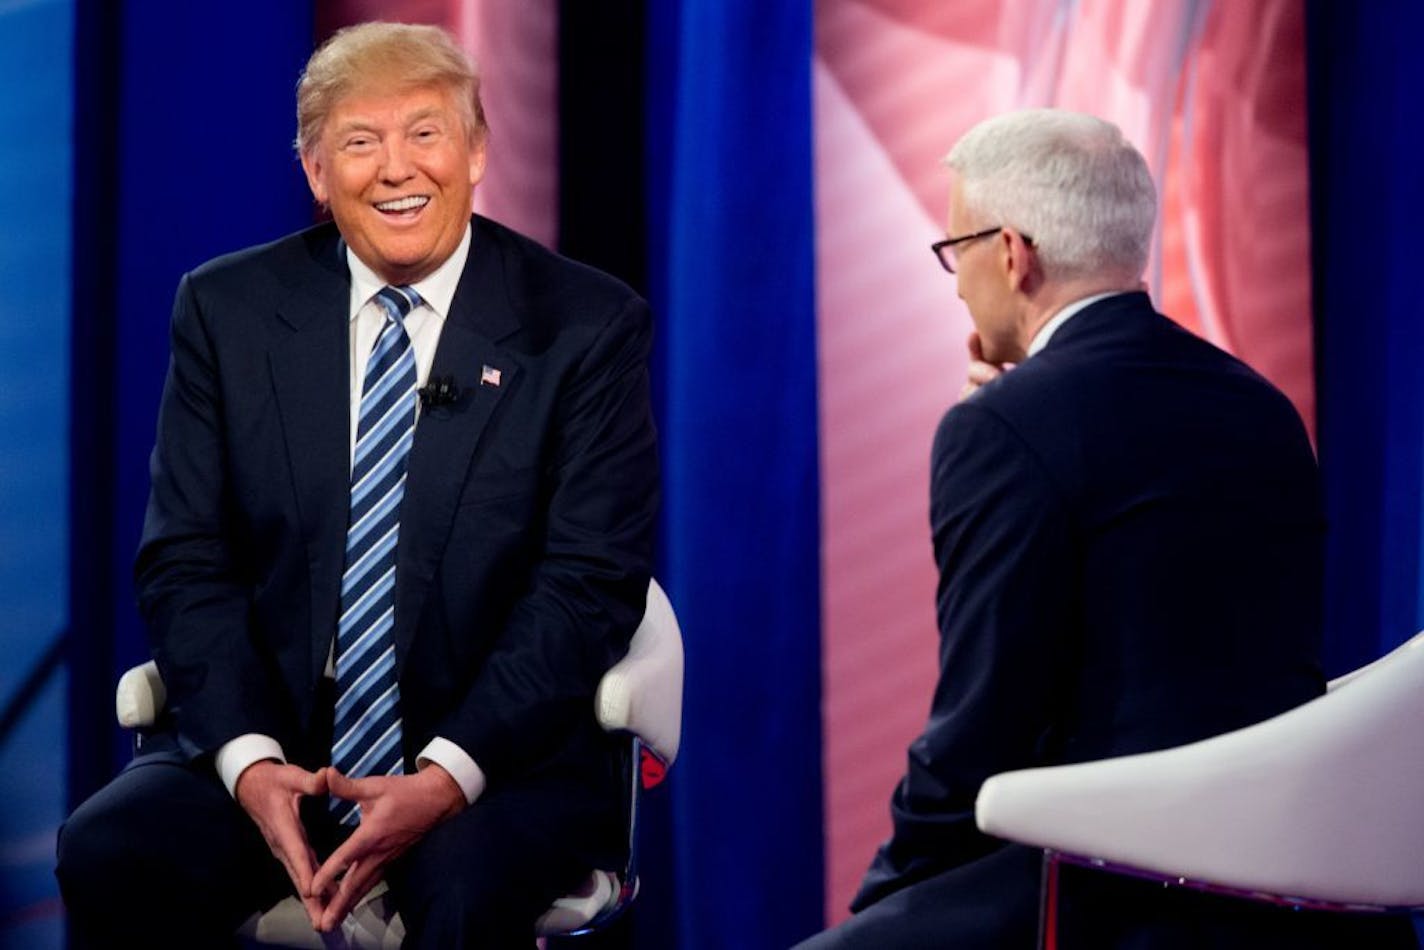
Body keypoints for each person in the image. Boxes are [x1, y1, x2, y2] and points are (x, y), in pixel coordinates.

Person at [55, 21, 658, 948]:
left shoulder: (581, 327)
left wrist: (446, 774)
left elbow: (588, 585)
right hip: (282, 749)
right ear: (315, 172)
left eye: (425, 132)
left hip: (493, 761)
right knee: (110, 848)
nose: (395, 169)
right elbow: (185, 561)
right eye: (358, 141)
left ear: (478, 150)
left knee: (463, 888)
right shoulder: (227, 312)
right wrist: (253, 766)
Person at [796, 110, 1417, 948]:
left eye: (957, 252)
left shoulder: (1003, 429)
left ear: (1012, 253)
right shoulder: (1260, 407)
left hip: (1111, 881)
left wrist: (890, 892)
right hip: (1289, 884)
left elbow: (984, 717)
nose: (955, 284)